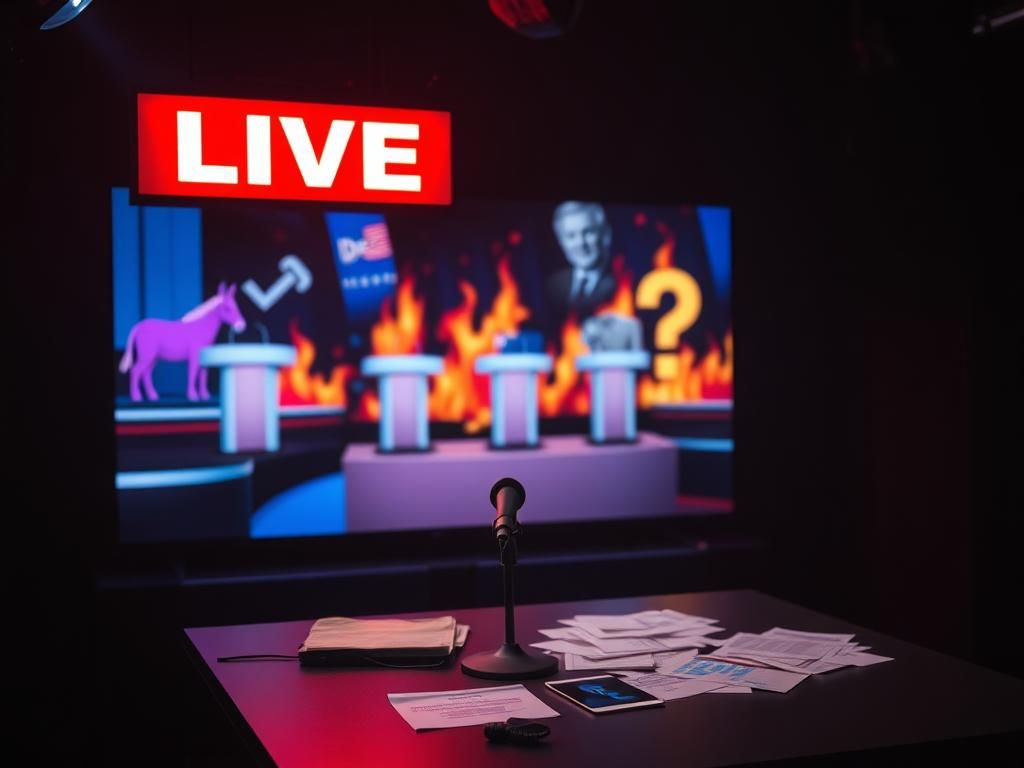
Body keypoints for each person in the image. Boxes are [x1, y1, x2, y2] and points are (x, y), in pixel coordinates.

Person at [546, 201, 617, 318]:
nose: (580, 243)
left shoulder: (622, 283)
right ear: (561, 242)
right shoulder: (553, 286)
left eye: (588, 232)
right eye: (571, 236)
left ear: (605, 235)